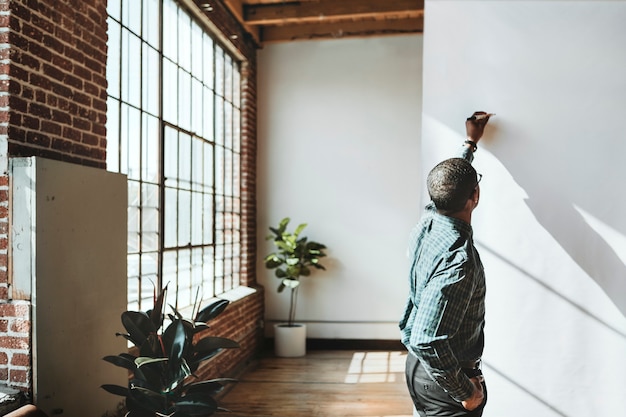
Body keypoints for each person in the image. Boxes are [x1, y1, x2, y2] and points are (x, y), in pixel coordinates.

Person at [399, 111, 492, 416]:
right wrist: (466, 393)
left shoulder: (428, 222)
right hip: (444, 382)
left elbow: (449, 186)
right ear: (475, 196)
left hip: (419, 370)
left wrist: (469, 144)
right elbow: (429, 340)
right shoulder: (459, 261)